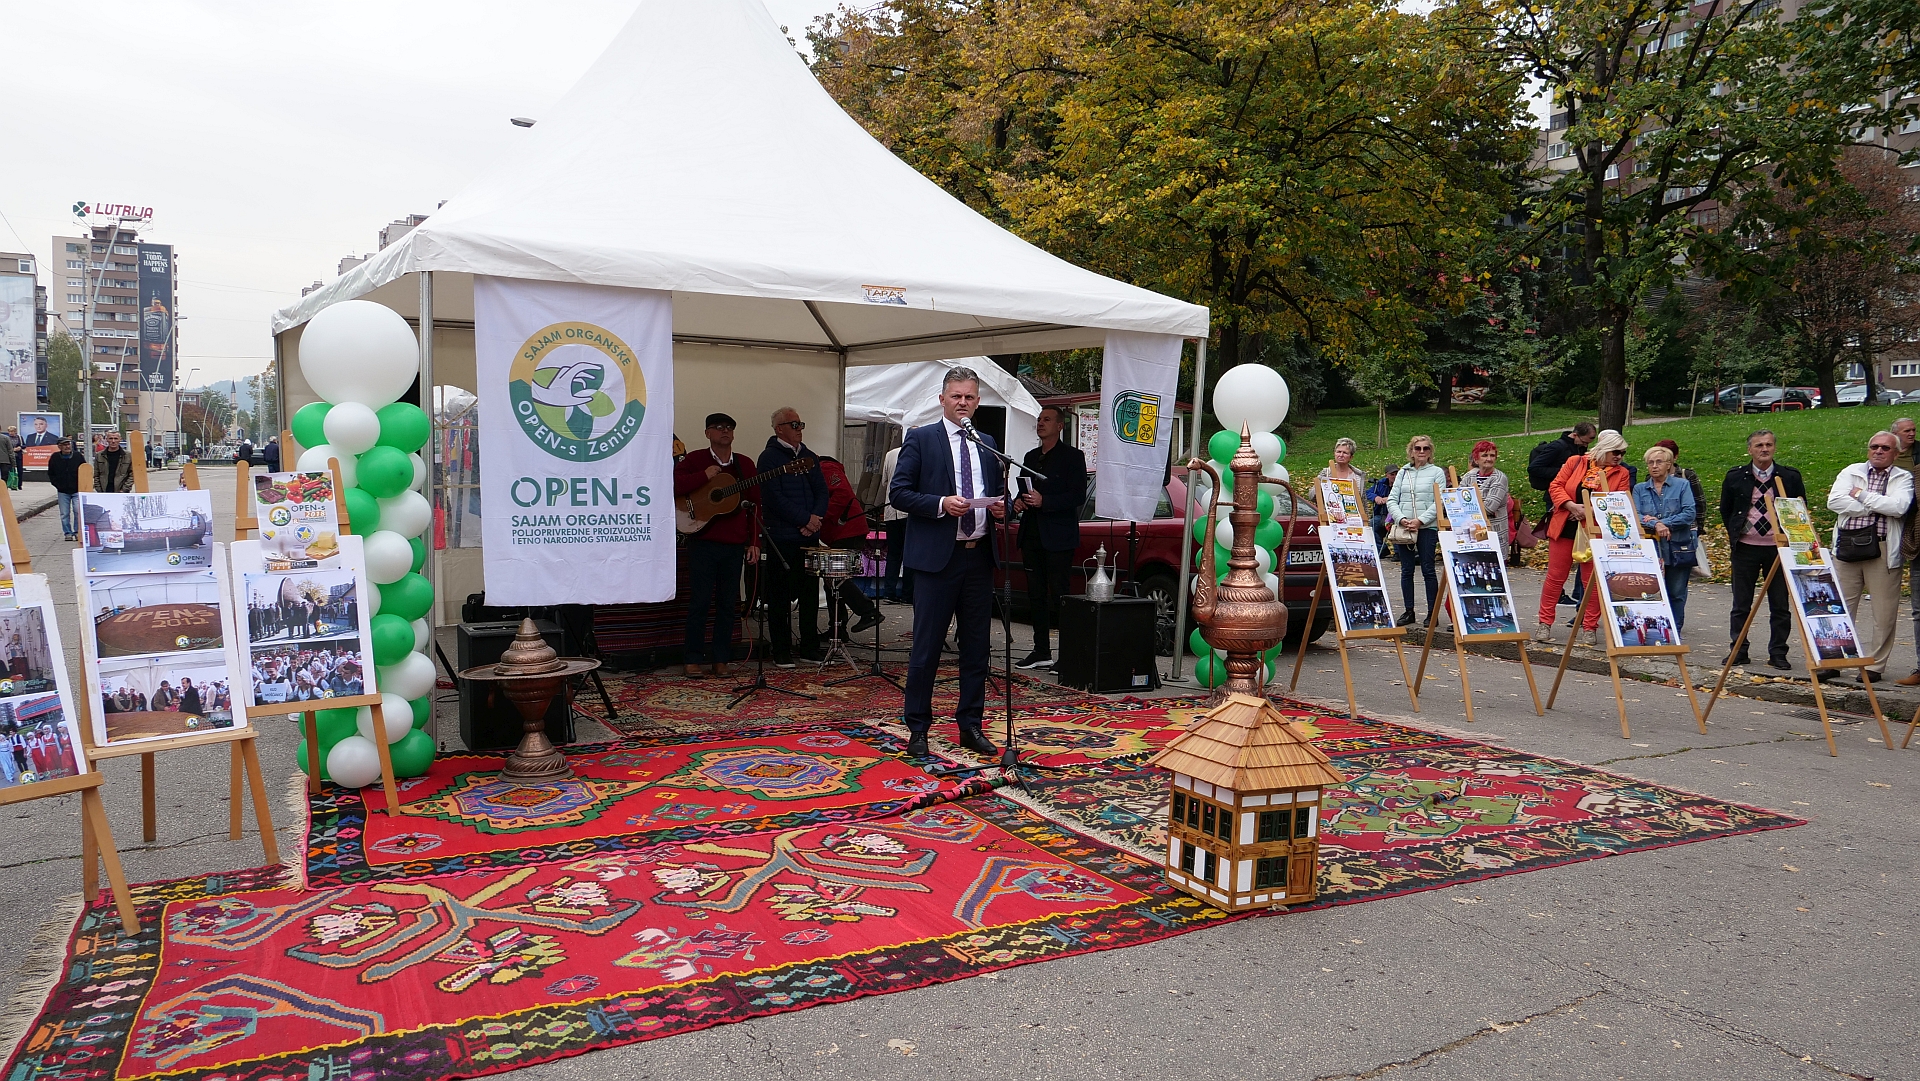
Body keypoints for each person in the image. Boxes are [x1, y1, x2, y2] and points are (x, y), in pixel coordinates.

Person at [890, 366, 1006, 759]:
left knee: (977, 648)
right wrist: (940, 503)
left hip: (979, 557)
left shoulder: (987, 443)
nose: (963, 403)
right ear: (942, 399)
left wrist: (1002, 508)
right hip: (938, 560)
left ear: (978, 401)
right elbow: (899, 493)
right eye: (956, 396)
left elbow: (995, 492)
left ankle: (970, 725)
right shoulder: (922, 439)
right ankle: (918, 728)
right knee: (927, 649)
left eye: (969, 397)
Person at [673, 412, 759, 678]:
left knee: (727, 605)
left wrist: (754, 542)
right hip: (703, 542)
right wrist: (703, 476)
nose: (725, 431)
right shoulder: (695, 460)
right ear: (707, 433)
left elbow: (755, 506)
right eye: (719, 427)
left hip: (733, 545)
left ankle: (721, 659)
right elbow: (673, 485)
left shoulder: (745, 464)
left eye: (729, 427)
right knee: (699, 603)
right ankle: (692, 659)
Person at [1826, 432, 1913, 683]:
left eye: (1885, 448)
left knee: (1884, 613)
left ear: (1896, 453)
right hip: (1847, 547)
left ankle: (1875, 666)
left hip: (1883, 550)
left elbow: (1899, 507)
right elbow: (1834, 502)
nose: (1878, 451)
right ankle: (1834, 661)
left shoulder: (1903, 477)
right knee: (1839, 609)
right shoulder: (1851, 471)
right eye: (1874, 446)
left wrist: (1861, 495)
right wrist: (1876, 506)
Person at [1721, 429, 1804, 669]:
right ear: (1750, 450)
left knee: (1780, 605)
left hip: (1778, 550)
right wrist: (1738, 533)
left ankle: (1778, 653)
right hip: (1745, 548)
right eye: (1759, 445)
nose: (1764, 449)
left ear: (1774, 448)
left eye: (1768, 445)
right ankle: (1738, 650)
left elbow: (1800, 509)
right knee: (1741, 604)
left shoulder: (1789, 477)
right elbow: (1726, 510)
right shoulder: (1736, 476)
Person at [1539, 429, 1630, 644]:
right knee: (1555, 577)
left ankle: (1590, 627)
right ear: (1604, 449)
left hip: (1595, 531)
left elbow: (1618, 504)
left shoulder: (1622, 473)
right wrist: (1570, 505)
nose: (1619, 457)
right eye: (1615, 452)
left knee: (1591, 582)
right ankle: (1544, 623)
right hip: (1565, 527)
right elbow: (1556, 486)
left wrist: (1587, 511)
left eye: (1623, 453)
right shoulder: (1576, 462)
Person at [1015, 404, 1088, 669]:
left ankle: (1066, 654)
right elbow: (1024, 489)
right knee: (1035, 595)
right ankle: (1041, 651)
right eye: (1039, 419)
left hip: (1058, 537)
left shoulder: (1072, 457)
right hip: (1032, 534)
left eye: (1047, 419)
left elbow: (1077, 495)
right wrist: (1018, 502)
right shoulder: (1031, 456)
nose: (1041, 423)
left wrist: (1045, 501)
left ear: (1059, 426)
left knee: (1059, 595)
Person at [757, 407, 828, 667]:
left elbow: (822, 491)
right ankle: (781, 649)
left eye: (800, 424)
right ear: (779, 429)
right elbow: (773, 498)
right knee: (779, 596)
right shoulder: (769, 458)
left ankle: (809, 646)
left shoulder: (809, 456)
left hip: (808, 536)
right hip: (782, 536)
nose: (799, 429)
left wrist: (815, 518)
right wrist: (804, 519)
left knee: (809, 594)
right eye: (794, 424)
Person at [1529, 422, 1597, 603]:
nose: (1587, 445)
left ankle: (1576, 593)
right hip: (1556, 500)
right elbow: (1534, 468)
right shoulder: (1557, 447)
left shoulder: (1579, 450)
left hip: (1577, 504)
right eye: (1586, 440)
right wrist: (1565, 471)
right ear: (1575, 435)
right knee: (1559, 560)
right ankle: (1557, 594)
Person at [818, 454, 882, 637]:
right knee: (831, 581)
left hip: (847, 530)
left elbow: (842, 495)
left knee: (835, 577)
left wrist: (819, 516)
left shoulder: (825, 468)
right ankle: (837, 629)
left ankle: (868, 611)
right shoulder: (827, 468)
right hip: (846, 530)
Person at [1634, 445, 1697, 632]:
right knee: (1650, 591)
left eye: (1659, 462)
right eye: (1650, 462)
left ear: (1669, 464)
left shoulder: (1682, 485)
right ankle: (1653, 630)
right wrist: (1656, 525)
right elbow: (1636, 514)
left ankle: (1674, 630)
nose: (1654, 466)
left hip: (1678, 546)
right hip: (1651, 547)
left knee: (1676, 592)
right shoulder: (1639, 489)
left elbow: (1689, 513)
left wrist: (1665, 523)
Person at [1386, 435, 1445, 626]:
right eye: (1417, 448)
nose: (1421, 452)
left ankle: (1432, 613)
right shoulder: (1403, 472)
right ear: (1411, 451)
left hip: (1426, 527)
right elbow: (1392, 499)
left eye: (1425, 448)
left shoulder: (1437, 472)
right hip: (1404, 527)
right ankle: (1408, 611)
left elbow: (1439, 501)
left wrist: (1420, 520)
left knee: (1428, 569)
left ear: (1430, 451)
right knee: (1406, 570)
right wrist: (1401, 519)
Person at [877, 445, 912, 603]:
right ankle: (907, 595)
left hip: (891, 510)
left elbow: (884, 482)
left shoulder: (890, 454)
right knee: (909, 553)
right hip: (908, 510)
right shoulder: (916, 453)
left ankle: (889, 592)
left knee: (893, 554)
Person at [1466, 440, 1510, 560]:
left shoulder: (1499, 478)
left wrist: (1467, 505)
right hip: (1471, 532)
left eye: (1492, 455)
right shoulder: (1470, 476)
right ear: (1476, 459)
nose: (1489, 459)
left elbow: (1489, 507)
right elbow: (1457, 498)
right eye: (1485, 455)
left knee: (1493, 565)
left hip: (1493, 530)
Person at [47, 438, 84, 541]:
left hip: (77, 489)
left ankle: (77, 531)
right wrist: (57, 484)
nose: (67, 446)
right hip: (63, 490)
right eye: (64, 445)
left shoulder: (77, 456)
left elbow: (84, 470)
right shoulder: (55, 457)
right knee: (64, 513)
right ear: (59, 446)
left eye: (68, 444)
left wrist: (82, 484)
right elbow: (51, 473)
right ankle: (67, 532)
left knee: (77, 511)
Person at [1365, 465, 1397, 556]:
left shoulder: (1402, 484)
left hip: (1395, 515)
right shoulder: (1380, 483)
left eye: (1396, 474)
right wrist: (1376, 497)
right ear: (1387, 475)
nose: (1394, 476)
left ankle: (1398, 553)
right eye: (1392, 474)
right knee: (1371, 525)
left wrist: (1390, 499)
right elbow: (1368, 492)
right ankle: (1382, 550)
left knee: (1397, 527)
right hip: (1382, 514)